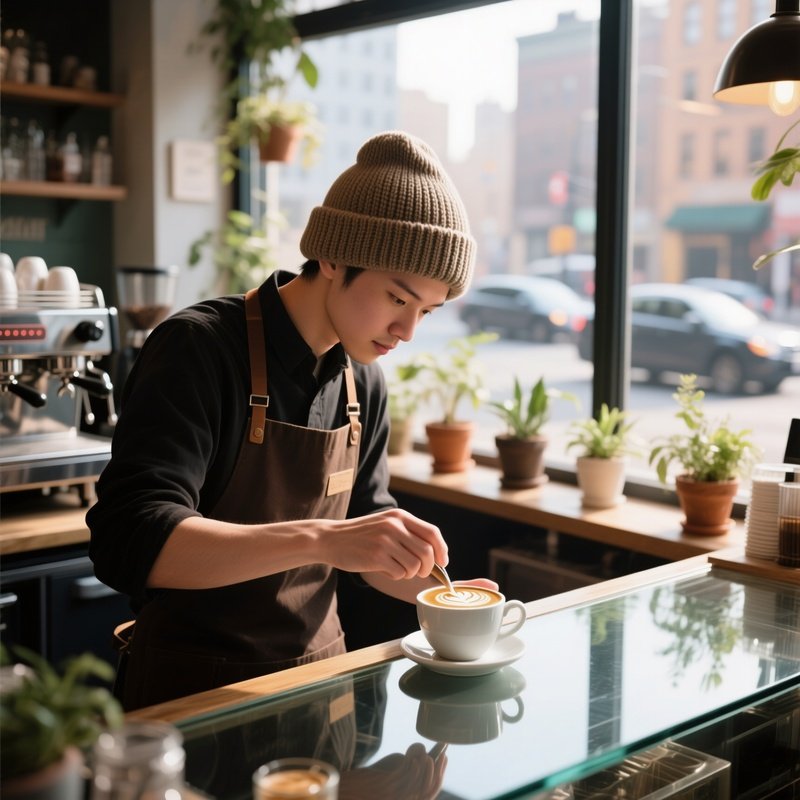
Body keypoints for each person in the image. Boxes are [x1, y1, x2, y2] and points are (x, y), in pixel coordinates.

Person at [88, 130, 495, 711]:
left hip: (322, 689)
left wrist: (440, 594)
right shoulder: (198, 348)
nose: (407, 332)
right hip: (192, 695)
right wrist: (324, 538)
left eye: (426, 311)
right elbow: (131, 540)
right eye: (397, 299)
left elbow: (363, 531)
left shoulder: (363, 379)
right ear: (331, 256)